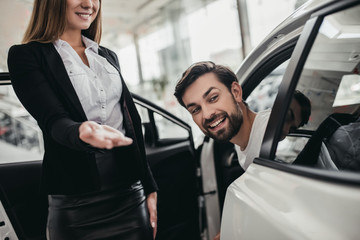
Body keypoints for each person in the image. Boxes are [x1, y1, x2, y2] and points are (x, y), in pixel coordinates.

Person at [7, 0, 158, 239]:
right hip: (75, 206)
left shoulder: (107, 56)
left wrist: (150, 188)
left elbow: (133, 124)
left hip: (130, 195)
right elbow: (53, 120)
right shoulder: (26, 55)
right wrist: (81, 132)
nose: (89, 4)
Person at [174, 61, 310, 240]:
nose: (206, 114)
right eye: (196, 109)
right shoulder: (242, 144)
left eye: (213, 98)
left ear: (236, 92)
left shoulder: (272, 132)